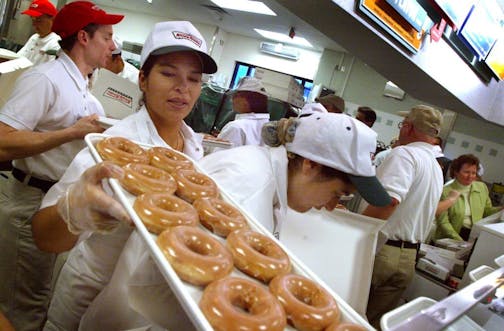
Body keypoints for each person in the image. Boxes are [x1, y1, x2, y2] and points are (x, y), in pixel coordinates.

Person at [38, 108, 391, 329]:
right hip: (135, 320)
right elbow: (162, 280)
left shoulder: (267, 177)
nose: (331, 207)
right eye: (337, 194)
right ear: (310, 164)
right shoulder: (246, 183)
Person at [31, 20, 217, 331]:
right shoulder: (114, 145)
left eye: (194, 79)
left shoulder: (195, 150)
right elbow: (43, 235)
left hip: (148, 309)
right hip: (90, 294)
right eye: (168, 73)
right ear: (142, 79)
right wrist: (73, 212)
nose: (182, 88)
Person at [0, 2, 123, 330]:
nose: (113, 45)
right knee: (23, 307)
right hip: (28, 202)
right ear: (84, 37)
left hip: (54, 204)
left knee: (40, 295)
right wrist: (71, 132)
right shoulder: (46, 78)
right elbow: (3, 141)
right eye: (107, 36)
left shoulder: (83, 86)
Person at [363, 105, 444, 329]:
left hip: (383, 252)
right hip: (408, 258)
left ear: (407, 127)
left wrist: (357, 230)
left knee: (347, 311)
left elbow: (388, 200)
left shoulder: (405, 154)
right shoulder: (436, 167)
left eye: (402, 125)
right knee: (372, 323)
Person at [434, 154, 502, 241]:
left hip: (474, 234)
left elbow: (487, 211)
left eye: (473, 173)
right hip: (449, 236)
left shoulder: (482, 187)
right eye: (466, 172)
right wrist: (459, 240)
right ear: (456, 172)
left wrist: (501, 209)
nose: (470, 176)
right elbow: (443, 222)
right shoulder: (445, 191)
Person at [216, 76, 269, 147]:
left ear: (247, 100)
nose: (232, 100)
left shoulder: (236, 127)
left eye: (235, 96)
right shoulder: (267, 125)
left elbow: (218, 156)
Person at [17, 0, 61, 65]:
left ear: (52, 19)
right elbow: (17, 59)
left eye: (39, 20)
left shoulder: (56, 44)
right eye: (32, 20)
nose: (34, 24)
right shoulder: (34, 38)